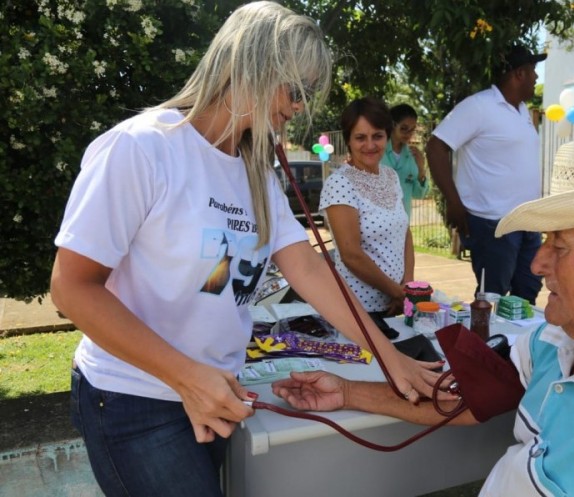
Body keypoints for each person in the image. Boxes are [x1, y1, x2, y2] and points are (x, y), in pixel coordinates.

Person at [49, 5, 439, 496]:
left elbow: (306, 267)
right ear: (251, 64)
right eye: (294, 90)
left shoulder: (253, 168)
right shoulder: (143, 148)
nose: (297, 108)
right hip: (137, 397)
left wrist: (388, 356)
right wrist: (187, 378)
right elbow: (70, 287)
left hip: (213, 390)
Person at [274, 135, 574, 496]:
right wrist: (349, 392)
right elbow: (472, 398)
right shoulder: (562, 340)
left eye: (559, 244)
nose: (539, 263)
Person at [426, 44, 546, 304]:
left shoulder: (523, 111)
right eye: (533, 71)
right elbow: (436, 147)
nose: (537, 78)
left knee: (526, 298)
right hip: (493, 225)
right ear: (519, 74)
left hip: (528, 224)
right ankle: (488, 346)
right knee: (490, 300)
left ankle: (517, 346)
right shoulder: (478, 106)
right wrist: (454, 202)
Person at [319, 97, 414, 320]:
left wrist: (407, 285)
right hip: (358, 310)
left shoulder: (390, 176)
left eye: (378, 136)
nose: (370, 145)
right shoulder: (340, 183)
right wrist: (395, 291)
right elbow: (351, 255)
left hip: (395, 304)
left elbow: (405, 233)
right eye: (360, 137)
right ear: (348, 141)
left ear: (387, 137)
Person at [382, 103, 429, 219]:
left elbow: (419, 194)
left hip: (402, 224)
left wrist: (421, 170)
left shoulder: (413, 156)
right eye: (404, 128)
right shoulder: (376, 151)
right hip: (377, 222)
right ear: (392, 124)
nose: (409, 134)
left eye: (412, 130)